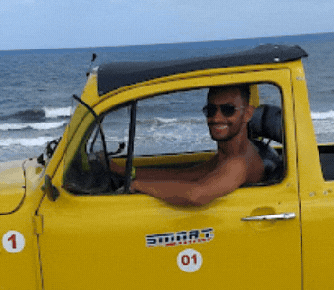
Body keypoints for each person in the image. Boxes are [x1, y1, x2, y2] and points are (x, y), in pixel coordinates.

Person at [112, 84, 266, 206]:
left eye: (228, 110)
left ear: (247, 113)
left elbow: (195, 194)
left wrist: (137, 185)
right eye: (211, 110)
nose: (216, 118)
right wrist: (125, 172)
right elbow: (186, 175)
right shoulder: (231, 153)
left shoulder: (238, 163)